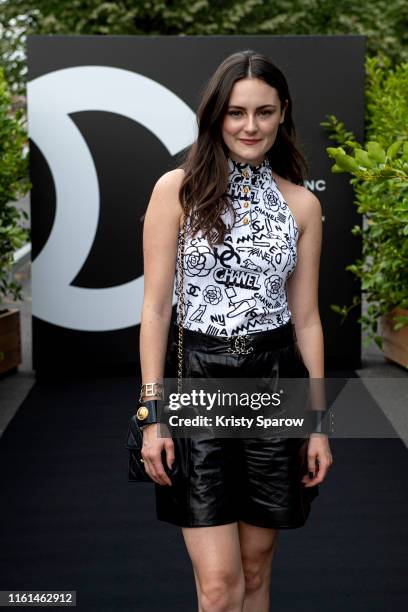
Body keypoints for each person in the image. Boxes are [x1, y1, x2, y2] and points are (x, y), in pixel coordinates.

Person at [138, 49, 333, 612]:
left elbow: (308, 320)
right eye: (236, 112)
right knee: (220, 586)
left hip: (275, 386)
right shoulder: (176, 191)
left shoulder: (302, 205)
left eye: (264, 112)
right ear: (215, 115)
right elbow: (154, 312)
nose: (251, 126)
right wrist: (153, 418)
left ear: (282, 114)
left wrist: (318, 425)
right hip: (199, 384)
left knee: (254, 570)